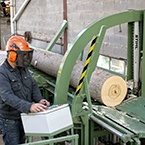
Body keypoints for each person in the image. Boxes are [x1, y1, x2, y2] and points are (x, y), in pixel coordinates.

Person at [0, 35, 50, 145]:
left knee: (22, 142)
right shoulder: (2, 73)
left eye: (27, 55)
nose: (26, 58)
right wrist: (29, 106)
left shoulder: (23, 69)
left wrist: (39, 100)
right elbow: (7, 96)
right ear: (12, 55)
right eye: (23, 55)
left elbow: (33, 85)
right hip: (10, 120)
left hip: (23, 115)